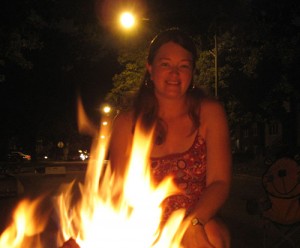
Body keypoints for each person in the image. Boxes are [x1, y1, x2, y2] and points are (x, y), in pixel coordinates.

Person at [109, 28, 232, 248]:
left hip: (197, 221)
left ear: (192, 72)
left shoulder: (210, 113)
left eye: (183, 66)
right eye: (165, 64)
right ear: (150, 68)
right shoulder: (126, 123)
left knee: (212, 235)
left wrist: (192, 223)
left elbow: (219, 182)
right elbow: (119, 192)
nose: (174, 74)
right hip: (144, 226)